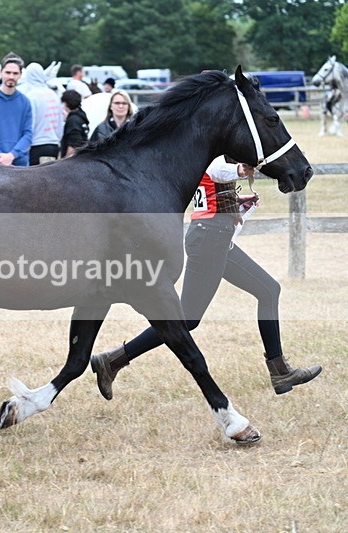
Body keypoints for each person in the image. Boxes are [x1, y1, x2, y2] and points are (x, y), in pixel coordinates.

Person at [90, 156, 323, 400]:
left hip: (215, 237)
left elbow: (210, 189)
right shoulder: (215, 155)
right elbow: (217, 170)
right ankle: (113, 360)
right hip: (210, 238)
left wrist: (235, 201)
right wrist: (240, 170)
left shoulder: (216, 150)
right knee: (187, 318)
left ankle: (280, 370)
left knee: (268, 290)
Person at [0, 52, 33, 166]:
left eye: (15, 73)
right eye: (8, 72)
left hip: (19, 164)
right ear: (1, 72)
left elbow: (27, 134)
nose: (11, 77)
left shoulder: (25, 102)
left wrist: (12, 155)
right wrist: (1, 159)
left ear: (20, 74)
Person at [21, 62, 64, 165]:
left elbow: (30, 124)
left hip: (37, 145)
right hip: (54, 145)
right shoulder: (53, 94)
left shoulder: (30, 96)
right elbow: (60, 122)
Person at [59, 89, 89, 157]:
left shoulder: (73, 120)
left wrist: (64, 162)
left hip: (73, 161)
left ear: (66, 103)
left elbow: (73, 145)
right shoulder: (81, 116)